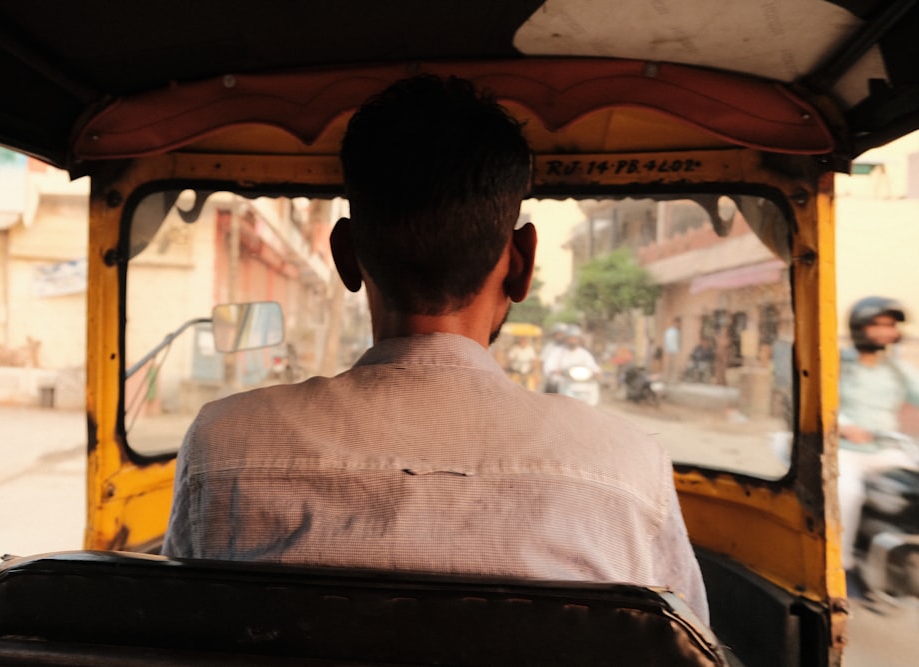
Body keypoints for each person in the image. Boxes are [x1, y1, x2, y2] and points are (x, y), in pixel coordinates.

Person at [161, 74, 709, 623]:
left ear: (347, 257)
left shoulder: (222, 449)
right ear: (521, 263)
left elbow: (173, 635)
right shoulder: (629, 471)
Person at [837, 296, 919, 571]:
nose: (886, 331)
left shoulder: (897, 368)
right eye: (878, 325)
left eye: (891, 325)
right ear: (859, 327)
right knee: (847, 492)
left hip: (886, 448)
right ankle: (841, 565)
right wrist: (846, 425)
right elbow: (822, 402)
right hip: (847, 450)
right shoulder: (839, 364)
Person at [663, 317, 681, 381]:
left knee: (674, 366)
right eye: (677, 323)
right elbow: (666, 341)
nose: (678, 324)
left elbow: (678, 341)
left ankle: (673, 379)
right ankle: (668, 378)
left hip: (675, 350)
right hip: (670, 350)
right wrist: (667, 349)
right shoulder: (670, 331)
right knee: (670, 365)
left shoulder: (677, 331)